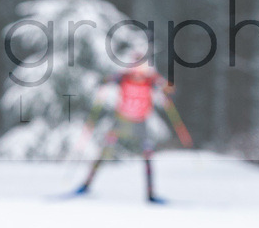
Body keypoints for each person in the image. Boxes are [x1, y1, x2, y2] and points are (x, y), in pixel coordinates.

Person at [74, 63, 192, 203]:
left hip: (140, 122)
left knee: (147, 154)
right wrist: (104, 82)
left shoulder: (151, 79)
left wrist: (164, 88)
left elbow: (169, 88)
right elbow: (106, 80)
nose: (138, 72)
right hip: (122, 120)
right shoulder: (123, 77)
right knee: (105, 150)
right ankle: (86, 184)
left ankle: (150, 193)